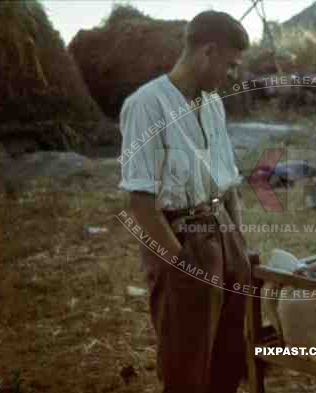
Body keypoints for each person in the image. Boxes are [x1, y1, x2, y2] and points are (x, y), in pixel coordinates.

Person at [118, 11, 250, 393]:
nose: (232, 74)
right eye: (230, 64)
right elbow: (139, 201)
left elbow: (228, 184)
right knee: (186, 360)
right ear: (208, 52)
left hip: (222, 235)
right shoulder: (147, 105)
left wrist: (238, 244)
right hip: (180, 238)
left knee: (228, 353)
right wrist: (177, 262)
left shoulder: (213, 104)